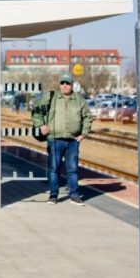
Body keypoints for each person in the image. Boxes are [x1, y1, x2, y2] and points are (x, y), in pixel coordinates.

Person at [32, 73, 92, 205]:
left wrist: (84, 133)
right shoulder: (50, 97)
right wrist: (41, 125)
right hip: (54, 139)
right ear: (59, 84)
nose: (65, 85)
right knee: (54, 168)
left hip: (73, 141)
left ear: (72, 85)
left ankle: (74, 196)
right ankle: (53, 195)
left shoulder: (79, 99)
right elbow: (36, 111)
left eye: (68, 83)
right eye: (62, 83)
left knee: (72, 168)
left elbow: (88, 117)